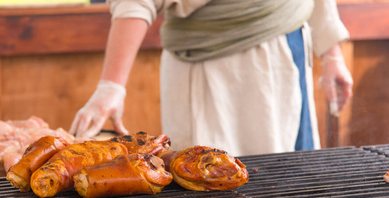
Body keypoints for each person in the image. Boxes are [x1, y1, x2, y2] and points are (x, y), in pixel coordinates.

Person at [69, 0, 353, 157]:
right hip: (212, 68)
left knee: (292, 187)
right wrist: (111, 86)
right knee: (213, 196)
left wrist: (332, 53)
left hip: (289, 51)